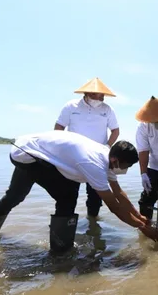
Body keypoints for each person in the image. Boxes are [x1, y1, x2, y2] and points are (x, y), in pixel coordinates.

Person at [0, 130, 158, 253]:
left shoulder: (106, 156)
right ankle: (60, 252)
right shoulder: (93, 164)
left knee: (15, 195)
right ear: (116, 160)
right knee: (67, 197)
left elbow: (119, 194)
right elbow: (114, 206)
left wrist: (139, 217)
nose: (126, 169)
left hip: (25, 149)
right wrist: (142, 227)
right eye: (126, 165)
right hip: (28, 155)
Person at [54, 77, 120, 217]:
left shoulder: (107, 109)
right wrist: (59, 149)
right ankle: (64, 226)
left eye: (104, 95)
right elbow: (59, 127)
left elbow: (115, 130)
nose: (102, 98)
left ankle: (93, 225)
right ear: (88, 94)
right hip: (71, 157)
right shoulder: (71, 106)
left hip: (96, 157)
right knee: (67, 195)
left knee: (95, 197)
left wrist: (107, 146)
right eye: (99, 95)